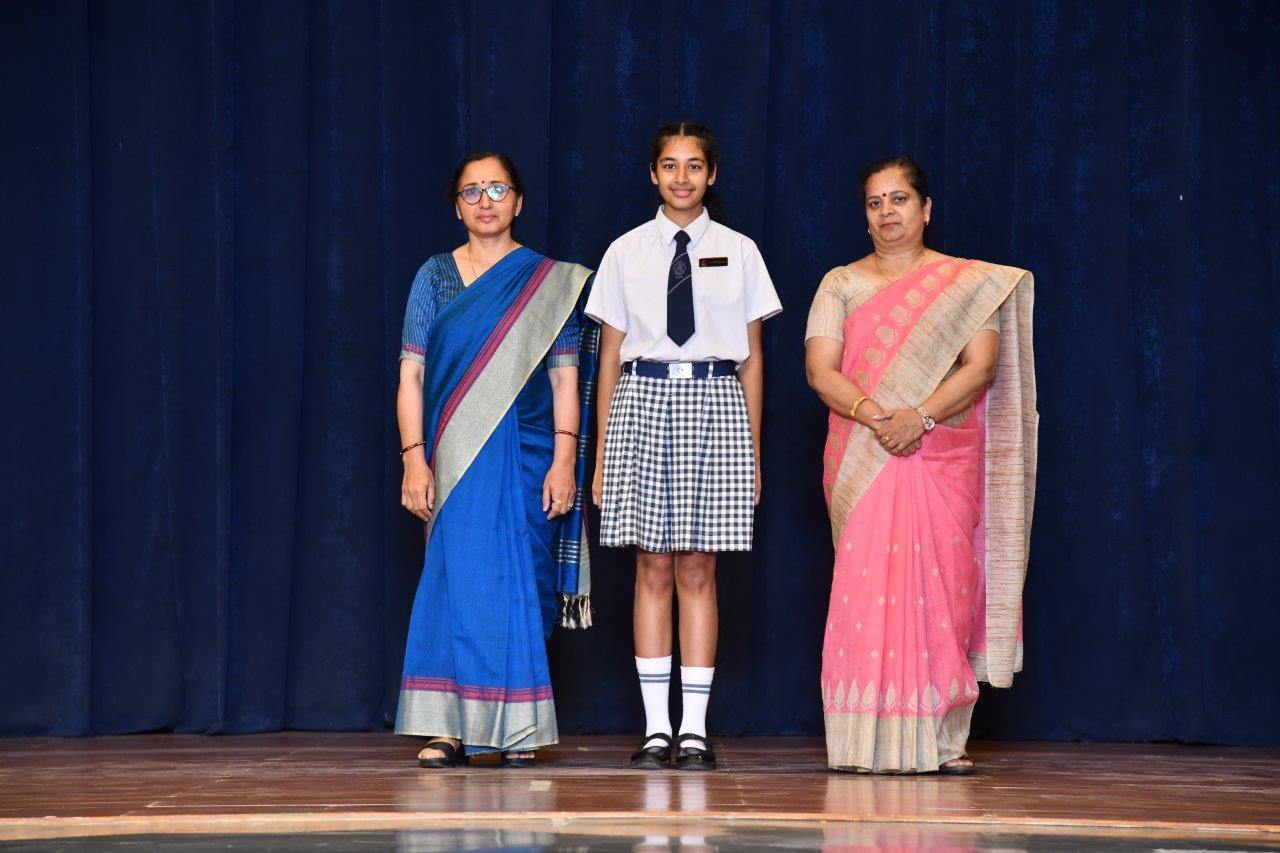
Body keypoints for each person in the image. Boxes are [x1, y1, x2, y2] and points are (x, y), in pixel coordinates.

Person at [804, 155, 1037, 774]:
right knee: (866, 594)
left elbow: (980, 368)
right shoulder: (840, 284)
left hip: (938, 453)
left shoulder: (967, 286)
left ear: (926, 208)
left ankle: (940, 739)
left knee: (942, 593)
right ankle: (859, 742)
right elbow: (821, 370)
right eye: (875, 202)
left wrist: (920, 418)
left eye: (899, 199)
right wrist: (878, 416)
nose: (887, 212)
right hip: (865, 451)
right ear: (865, 217)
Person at [587, 122, 782, 771]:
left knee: (698, 567)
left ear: (711, 174)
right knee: (652, 566)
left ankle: (694, 729)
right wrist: (602, 454)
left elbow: (753, 360)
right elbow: (609, 359)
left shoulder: (740, 251)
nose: (681, 177)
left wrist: (752, 451)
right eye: (669, 165)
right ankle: (655, 728)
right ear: (653, 174)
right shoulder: (625, 252)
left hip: (715, 400)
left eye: (693, 165)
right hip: (643, 400)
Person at [394, 151, 596, 769]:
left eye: (498, 189)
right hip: (454, 453)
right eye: (472, 191)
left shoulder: (548, 282)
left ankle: (517, 726)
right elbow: (412, 375)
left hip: (529, 451)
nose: (486, 201)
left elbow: (565, 378)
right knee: (456, 580)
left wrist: (565, 461)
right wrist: (413, 459)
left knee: (519, 581)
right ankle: (447, 728)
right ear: (457, 206)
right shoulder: (435, 276)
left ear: (519, 200)